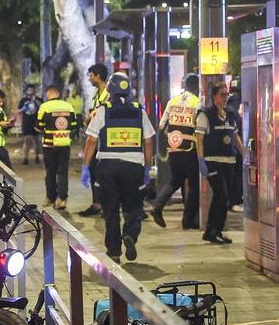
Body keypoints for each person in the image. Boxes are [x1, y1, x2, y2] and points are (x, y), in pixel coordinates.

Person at [82, 72, 155, 262]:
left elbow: (91, 141)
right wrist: (147, 168)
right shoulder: (140, 111)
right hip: (133, 168)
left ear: (110, 92)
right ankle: (130, 234)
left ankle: (114, 251)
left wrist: (85, 167)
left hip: (107, 168)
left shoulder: (103, 111)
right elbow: (148, 141)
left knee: (111, 211)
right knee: (133, 208)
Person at [196, 82, 246, 244]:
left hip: (229, 161)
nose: (225, 98)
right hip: (212, 161)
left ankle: (216, 230)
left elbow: (235, 137)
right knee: (221, 194)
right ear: (214, 96)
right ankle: (212, 230)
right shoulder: (205, 115)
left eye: (227, 95)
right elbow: (199, 139)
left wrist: (244, 153)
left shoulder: (231, 114)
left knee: (226, 198)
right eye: (222, 95)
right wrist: (201, 160)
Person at [151, 73, 201, 230]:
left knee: (176, 180)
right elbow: (199, 128)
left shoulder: (172, 102)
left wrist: (174, 137)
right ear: (196, 86)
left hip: (174, 149)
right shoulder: (197, 103)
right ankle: (188, 220)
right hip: (190, 149)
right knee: (194, 185)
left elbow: (162, 125)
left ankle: (157, 206)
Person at [78, 64, 112, 218]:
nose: (89, 78)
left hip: (106, 139)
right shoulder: (97, 95)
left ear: (98, 76)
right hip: (97, 137)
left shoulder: (108, 94)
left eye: (91, 75)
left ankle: (106, 205)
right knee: (94, 170)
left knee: (104, 173)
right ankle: (97, 203)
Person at [37, 85, 74, 208]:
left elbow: (38, 126)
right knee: (63, 172)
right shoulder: (68, 106)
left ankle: (50, 198)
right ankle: (62, 199)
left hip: (49, 144)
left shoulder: (44, 107)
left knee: (50, 172)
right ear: (58, 93)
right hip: (65, 144)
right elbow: (73, 124)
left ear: (48, 94)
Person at [227, 77, 244, 208]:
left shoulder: (227, 101)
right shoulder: (241, 102)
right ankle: (235, 198)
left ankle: (231, 199)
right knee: (237, 172)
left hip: (226, 145)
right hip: (237, 144)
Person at [19, 84, 42, 165]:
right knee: (26, 140)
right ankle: (25, 158)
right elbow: (19, 112)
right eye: (29, 90)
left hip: (36, 123)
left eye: (32, 90)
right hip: (26, 123)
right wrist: (24, 107)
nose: (30, 92)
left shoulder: (39, 100)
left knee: (36, 141)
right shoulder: (23, 100)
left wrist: (35, 101)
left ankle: (37, 157)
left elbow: (42, 108)